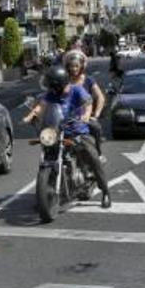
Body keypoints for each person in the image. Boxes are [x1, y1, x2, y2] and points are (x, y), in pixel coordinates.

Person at [23, 66, 112, 208]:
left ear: (61, 84)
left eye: (53, 86)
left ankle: (105, 192)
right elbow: (42, 106)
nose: (51, 89)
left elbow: (88, 102)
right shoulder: (52, 93)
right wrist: (31, 115)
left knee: (92, 157)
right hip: (57, 130)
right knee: (46, 155)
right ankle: (42, 196)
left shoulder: (76, 90)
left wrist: (86, 114)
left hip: (77, 130)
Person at [64, 51, 106, 154]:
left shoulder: (88, 80)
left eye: (76, 66)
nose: (74, 69)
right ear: (67, 67)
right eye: (71, 66)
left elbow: (100, 97)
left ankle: (98, 153)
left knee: (96, 127)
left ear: (81, 66)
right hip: (66, 118)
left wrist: (96, 115)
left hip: (84, 118)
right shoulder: (64, 80)